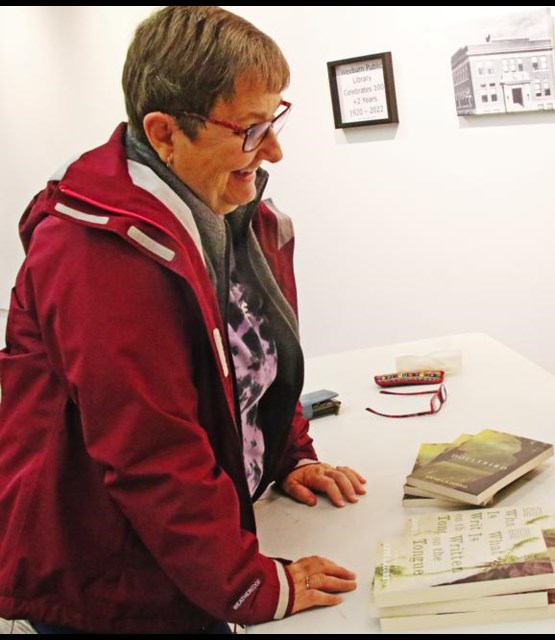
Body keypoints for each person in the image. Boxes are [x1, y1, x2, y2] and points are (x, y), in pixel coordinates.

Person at [0, 6, 366, 633]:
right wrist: (251, 585)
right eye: (250, 128)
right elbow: (149, 451)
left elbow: (258, 363)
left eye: (274, 118)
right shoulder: (94, 253)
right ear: (165, 132)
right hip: (112, 586)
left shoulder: (232, 211)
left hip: (192, 553)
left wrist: (290, 455)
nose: (274, 148)